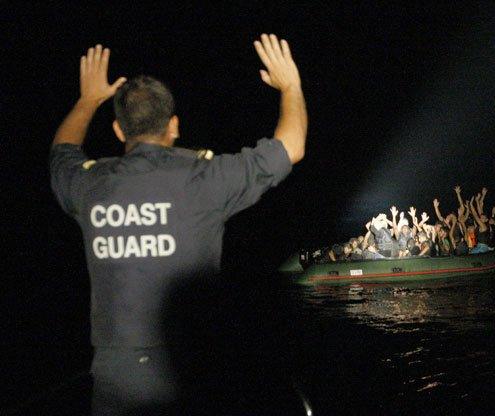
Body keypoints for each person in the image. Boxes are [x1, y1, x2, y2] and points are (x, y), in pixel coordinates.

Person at [49, 35, 307, 415]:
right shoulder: (206, 179)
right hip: (191, 369)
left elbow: (61, 155)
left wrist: (88, 101)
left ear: (120, 132)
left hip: (115, 379)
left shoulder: (90, 185)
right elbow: (292, 146)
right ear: (174, 126)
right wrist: (291, 85)